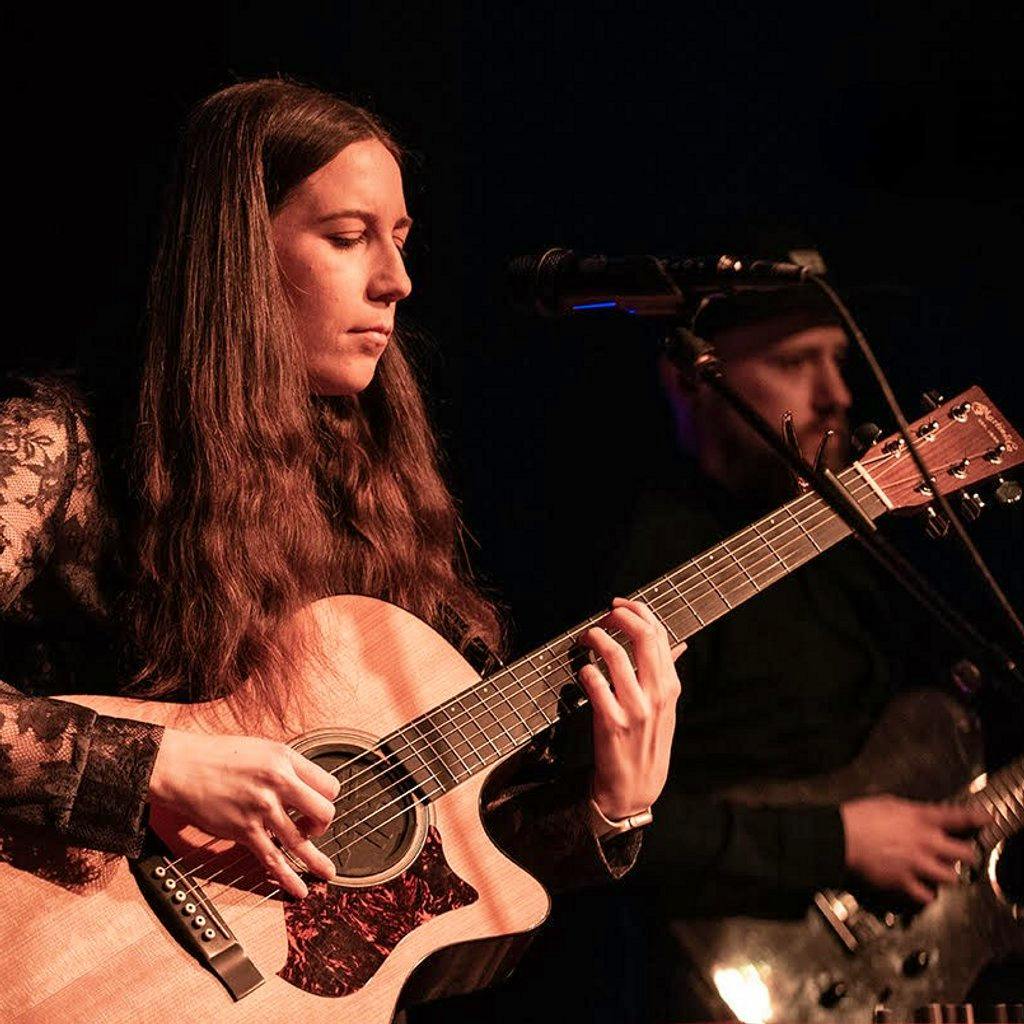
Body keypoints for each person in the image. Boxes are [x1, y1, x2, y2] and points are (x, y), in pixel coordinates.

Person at [0, 78, 679, 997]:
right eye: (349, 236)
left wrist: (612, 807)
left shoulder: (374, 494)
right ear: (237, 257)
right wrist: (155, 765)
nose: (398, 280)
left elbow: (431, 878)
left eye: (400, 241)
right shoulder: (57, 447)